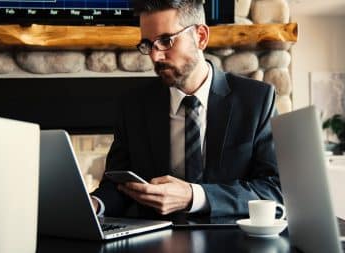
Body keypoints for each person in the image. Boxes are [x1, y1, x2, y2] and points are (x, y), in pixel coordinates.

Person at [91, 0, 283, 219]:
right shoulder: (133, 106)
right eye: (147, 44)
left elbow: (274, 189)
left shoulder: (257, 100)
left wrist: (195, 196)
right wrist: (95, 204)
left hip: (231, 239)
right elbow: (118, 186)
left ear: (201, 36)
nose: (155, 56)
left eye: (165, 41)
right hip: (156, 242)